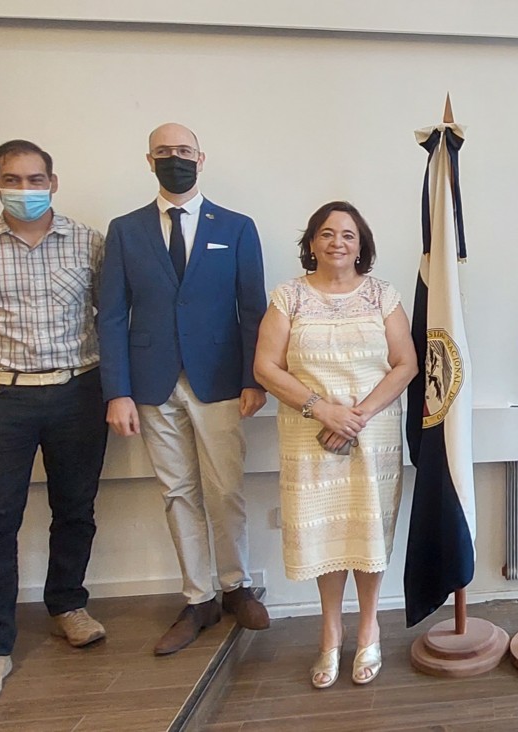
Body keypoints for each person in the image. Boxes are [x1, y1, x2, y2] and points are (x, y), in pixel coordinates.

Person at [0, 140, 108, 707]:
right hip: (0, 399)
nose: (24, 189)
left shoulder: (89, 243)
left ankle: (67, 604)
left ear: (54, 182)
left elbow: (112, 315)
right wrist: (1, 362)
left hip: (78, 392)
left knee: (75, 509)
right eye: (13, 178)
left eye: (35, 179)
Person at [97, 123, 270, 655]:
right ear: (149, 160)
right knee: (178, 494)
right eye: (165, 152)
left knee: (225, 490)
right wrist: (117, 391)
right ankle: (198, 598)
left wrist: (253, 378)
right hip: (151, 385)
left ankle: (235, 585)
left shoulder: (237, 227)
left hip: (219, 382)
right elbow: (111, 315)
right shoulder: (125, 230)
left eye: (185, 151)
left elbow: (253, 310)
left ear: (202, 158)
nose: (176, 158)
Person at [254, 201, 418, 688]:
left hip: (373, 432)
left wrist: (357, 416)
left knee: (366, 534)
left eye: (348, 235)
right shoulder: (288, 297)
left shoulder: (382, 296)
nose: (337, 242)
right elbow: (266, 367)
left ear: (361, 244)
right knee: (326, 536)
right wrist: (323, 410)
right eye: (326, 234)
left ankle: (368, 628)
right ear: (311, 244)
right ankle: (330, 634)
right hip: (310, 434)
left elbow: (405, 364)